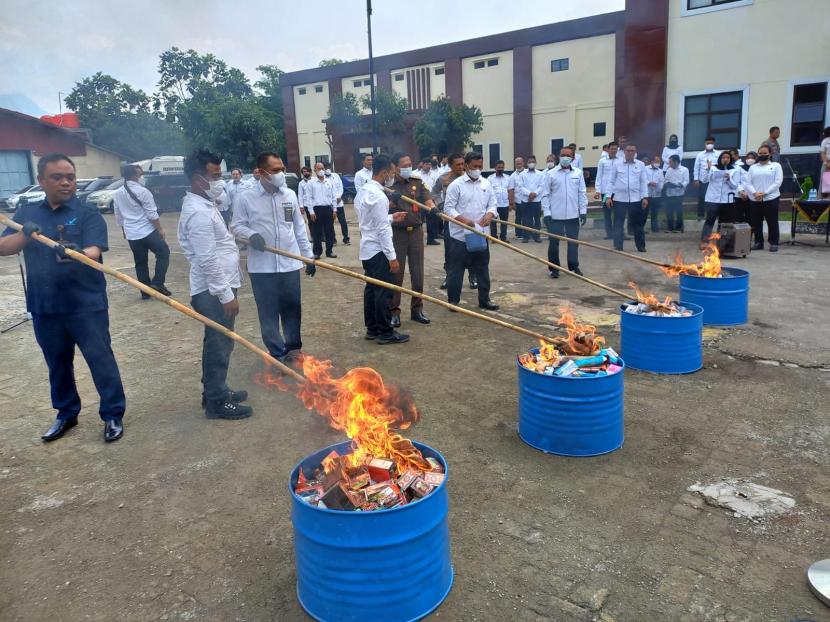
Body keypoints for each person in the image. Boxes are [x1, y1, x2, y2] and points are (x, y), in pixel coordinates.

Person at [0, 153, 126, 442]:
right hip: (46, 305)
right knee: (57, 363)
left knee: (100, 360)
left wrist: (75, 252)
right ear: (41, 180)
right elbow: (4, 247)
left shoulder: (87, 213)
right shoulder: (28, 214)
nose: (66, 182)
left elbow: (95, 250)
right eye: (57, 177)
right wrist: (25, 236)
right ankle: (66, 413)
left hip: (86, 303)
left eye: (70, 176)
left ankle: (112, 414)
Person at [178, 149, 251, 419]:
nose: (220, 181)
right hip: (212, 291)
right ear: (199, 179)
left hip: (219, 287)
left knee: (219, 342)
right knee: (219, 344)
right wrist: (225, 295)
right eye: (215, 175)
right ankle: (217, 403)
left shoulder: (206, 206)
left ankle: (214, 391)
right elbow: (207, 259)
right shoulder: (198, 213)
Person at [231, 151, 315, 364]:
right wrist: (251, 235)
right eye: (276, 170)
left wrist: (308, 257)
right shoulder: (246, 198)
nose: (281, 174)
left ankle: (293, 348)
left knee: (292, 308)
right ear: (261, 172)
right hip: (262, 268)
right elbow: (236, 226)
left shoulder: (289, 195)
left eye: (282, 170)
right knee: (268, 314)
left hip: (289, 264)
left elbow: (298, 227)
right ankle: (277, 354)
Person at [354, 154, 409, 344]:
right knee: (383, 292)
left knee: (371, 289)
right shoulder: (378, 196)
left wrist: (392, 217)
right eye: (392, 172)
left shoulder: (363, 191)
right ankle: (385, 332)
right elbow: (382, 230)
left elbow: (370, 222)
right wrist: (392, 257)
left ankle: (372, 328)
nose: (392, 176)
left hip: (367, 248)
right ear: (385, 172)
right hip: (378, 251)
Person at [443, 152, 499, 310]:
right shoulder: (456, 185)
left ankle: (484, 300)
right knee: (457, 270)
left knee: (482, 268)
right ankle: (453, 301)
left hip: (480, 235)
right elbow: (448, 209)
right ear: (466, 166)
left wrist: (490, 214)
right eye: (474, 166)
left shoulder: (486, 184)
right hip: (460, 236)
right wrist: (465, 221)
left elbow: (492, 204)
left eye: (480, 166)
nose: (477, 169)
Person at [387, 152, 436, 327]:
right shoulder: (388, 185)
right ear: (396, 167)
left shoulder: (416, 181)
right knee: (396, 273)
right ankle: (394, 311)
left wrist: (432, 208)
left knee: (418, 273)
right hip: (397, 234)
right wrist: (390, 202)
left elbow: (427, 198)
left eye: (410, 163)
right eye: (405, 164)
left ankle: (417, 309)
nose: (409, 167)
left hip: (416, 233)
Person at [113, 164, 171, 300]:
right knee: (163, 253)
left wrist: (124, 230)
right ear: (135, 174)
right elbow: (152, 213)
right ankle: (158, 283)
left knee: (140, 262)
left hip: (132, 233)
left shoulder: (118, 193)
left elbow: (118, 215)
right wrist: (160, 229)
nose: (141, 172)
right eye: (139, 171)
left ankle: (145, 291)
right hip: (148, 230)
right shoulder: (143, 191)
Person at [541, 146, 587, 279]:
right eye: (562, 155)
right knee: (554, 243)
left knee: (573, 242)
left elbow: (582, 193)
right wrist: (547, 213)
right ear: (559, 156)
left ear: (573, 158)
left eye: (568, 155)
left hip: (573, 215)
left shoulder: (578, 173)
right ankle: (554, 268)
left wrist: (583, 211)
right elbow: (545, 195)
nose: (565, 157)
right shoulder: (551, 174)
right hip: (555, 215)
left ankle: (573, 266)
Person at [432, 153, 467, 289]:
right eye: (457, 164)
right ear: (450, 165)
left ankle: (473, 277)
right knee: (450, 250)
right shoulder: (443, 178)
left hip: (467, 219)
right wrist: (441, 204)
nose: (461, 167)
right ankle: (449, 277)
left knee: (471, 249)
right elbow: (433, 192)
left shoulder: (468, 177)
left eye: (463, 164)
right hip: (450, 219)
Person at [607, 144, 649, 251]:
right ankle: (618, 245)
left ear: (635, 152)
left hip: (636, 199)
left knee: (638, 224)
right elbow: (611, 181)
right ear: (624, 152)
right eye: (628, 151)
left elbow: (643, 181)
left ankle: (641, 246)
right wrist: (608, 197)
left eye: (633, 151)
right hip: (620, 199)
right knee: (618, 223)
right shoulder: (616, 164)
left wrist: (645, 197)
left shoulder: (641, 165)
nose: (630, 153)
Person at [743, 144, 783, 252]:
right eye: (760, 153)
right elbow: (747, 183)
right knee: (756, 221)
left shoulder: (776, 166)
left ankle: (774, 243)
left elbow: (778, 182)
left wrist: (765, 193)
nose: (762, 155)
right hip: (755, 198)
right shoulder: (753, 167)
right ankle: (758, 242)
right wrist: (755, 193)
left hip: (771, 198)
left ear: (770, 154)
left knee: (772, 221)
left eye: (765, 153)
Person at [700, 150, 739, 241]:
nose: (725, 159)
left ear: (730, 159)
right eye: (723, 157)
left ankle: (722, 242)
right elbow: (704, 180)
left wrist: (729, 179)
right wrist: (708, 169)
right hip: (713, 199)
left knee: (724, 223)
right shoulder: (713, 168)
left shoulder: (734, 170)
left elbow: (735, 186)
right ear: (720, 159)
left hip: (727, 201)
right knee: (710, 221)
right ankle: (705, 241)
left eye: (727, 157)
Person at [303, 162, 337, 259]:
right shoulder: (311, 183)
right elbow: (308, 198)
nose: (321, 170)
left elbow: (334, 196)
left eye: (322, 168)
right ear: (314, 170)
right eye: (318, 168)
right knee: (317, 232)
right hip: (316, 210)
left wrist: (334, 210)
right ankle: (317, 252)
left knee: (329, 231)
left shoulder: (329, 182)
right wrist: (311, 212)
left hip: (328, 208)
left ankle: (329, 251)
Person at [516, 155, 545, 243]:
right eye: (529, 162)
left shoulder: (540, 174)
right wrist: (529, 194)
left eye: (533, 162)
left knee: (537, 219)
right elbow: (520, 187)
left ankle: (537, 236)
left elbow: (542, 186)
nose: (531, 163)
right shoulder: (522, 174)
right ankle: (526, 236)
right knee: (526, 219)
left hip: (536, 200)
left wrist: (535, 193)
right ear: (527, 163)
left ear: (535, 163)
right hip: (525, 200)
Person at [594, 141, 619, 239]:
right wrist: (598, 190)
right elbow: (599, 176)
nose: (613, 151)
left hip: (617, 192)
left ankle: (619, 233)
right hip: (605, 192)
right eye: (612, 149)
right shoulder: (602, 161)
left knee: (618, 214)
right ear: (608, 149)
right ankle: (609, 234)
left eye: (615, 149)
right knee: (607, 214)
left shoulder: (620, 160)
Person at [694, 137, 720, 219]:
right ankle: (700, 215)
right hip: (703, 180)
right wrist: (696, 179)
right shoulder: (700, 155)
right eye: (708, 143)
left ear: (714, 143)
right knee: (702, 198)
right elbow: (696, 167)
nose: (709, 145)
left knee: (714, 198)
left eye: (711, 143)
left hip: (714, 180)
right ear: (705, 144)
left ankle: (713, 216)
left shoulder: (718, 154)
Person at [663, 155, 689, 233]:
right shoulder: (668, 170)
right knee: (669, 212)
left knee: (679, 212)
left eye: (670, 162)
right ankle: (670, 228)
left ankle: (678, 228)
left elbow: (686, 181)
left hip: (679, 194)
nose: (669, 163)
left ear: (676, 162)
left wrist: (679, 185)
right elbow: (665, 180)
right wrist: (668, 184)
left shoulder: (684, 169)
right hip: (669, 194)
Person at [325, 165, 349, 245]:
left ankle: (346, 238)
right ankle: (333, 239)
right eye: (325, 168)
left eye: (328, 168)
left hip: (339, 203)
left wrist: (339, 197)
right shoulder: (322, 178)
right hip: (329, 204)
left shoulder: (336, 176)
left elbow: (340, 187)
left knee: (343, 222)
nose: (327, 169)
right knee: (330, 223)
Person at [488, 160, 511, 241]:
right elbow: (488, 192)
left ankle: (503, 237)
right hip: (494, 205)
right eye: (499, 167)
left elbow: (510, 191)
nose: (500, 169)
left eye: (502, 167)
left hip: (505, 204)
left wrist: (511, 203)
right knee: (493, 222)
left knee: (504, 222)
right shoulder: (490, 178)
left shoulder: (508, 178)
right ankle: (494, 237)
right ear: (495, 168)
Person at [733, 150, 755, 223]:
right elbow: (736, 181)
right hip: (739, 196)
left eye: (752, 158)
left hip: (752, 197)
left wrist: (750, 194)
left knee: (751, 218)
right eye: (748, 157)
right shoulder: (740, 167)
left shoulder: (757, 169)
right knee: (738, 218)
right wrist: (741, 192)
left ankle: (749, 233)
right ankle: (739, 234)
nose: (750, 159)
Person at [644, 156, 665, 232]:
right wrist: (649, 183)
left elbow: (662, 181)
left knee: (655, 212)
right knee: (644, 212)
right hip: (647, 194)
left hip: (656, 194)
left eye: (659, 162)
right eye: (656, 161)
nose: (658, 163)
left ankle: (654, 228)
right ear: (652, 161)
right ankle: (641, 227)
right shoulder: (645, 169)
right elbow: (643, 179)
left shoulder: (660, 171)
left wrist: (659, 187)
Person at [508, 156, 526, 240]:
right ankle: (518, 233)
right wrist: (512, 203)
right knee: (518, 218)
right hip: (518, 201)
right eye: (517, 163)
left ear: (523, 163)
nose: (518, 165)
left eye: (520, 163)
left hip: (527, 200)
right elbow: (511, 189)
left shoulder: (527, 173)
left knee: (527, 218)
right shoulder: (512, 176)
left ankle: (527, 233)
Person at [820, 127, 830, 198]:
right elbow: (822, 153)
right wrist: (826, 163)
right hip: (826, 164)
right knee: (825, 183)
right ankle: (823, 202)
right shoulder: (825, 141)